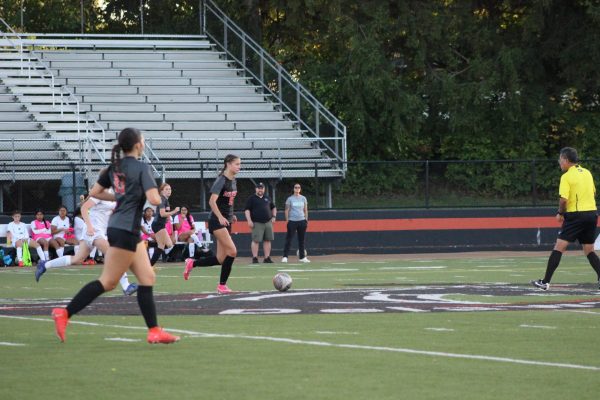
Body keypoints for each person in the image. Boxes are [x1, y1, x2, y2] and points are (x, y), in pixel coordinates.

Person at [51, 127, 179, 344]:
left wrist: (119, 195)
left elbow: (94, 193)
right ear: (138, 144)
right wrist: (151, 193)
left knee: (147, 278)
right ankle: (64, 313)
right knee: (108, 282)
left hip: (123, 228)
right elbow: (155, 200)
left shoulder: (115, 167)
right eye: (143, 139)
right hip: (126, 229)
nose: (144, 142)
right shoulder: (141, 168)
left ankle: (154, 330)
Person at [35, 189, 139, 296]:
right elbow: (84, 208)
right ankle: (126, 286)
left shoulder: (116, 196)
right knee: (113, 255)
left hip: (97, 231)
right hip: (94, 230)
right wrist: (89, 227)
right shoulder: (102, 193)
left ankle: (44, 265)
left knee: (77, 259)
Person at [531, 147, 600, 290]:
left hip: (576, 215)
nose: (559, 162)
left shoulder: (567, 176)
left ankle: (545, 282)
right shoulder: (587, 173)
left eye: (560, 159)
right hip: (592, 214)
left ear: (566, 160)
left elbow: (563, 200)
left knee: (559, 248)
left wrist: (560, 213)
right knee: (589, 250)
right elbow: (593, 193)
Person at [183, 154, 239, 293]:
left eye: (239, 164)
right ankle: (221, 285)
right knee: (232, 251)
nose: (239, 166)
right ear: (228, 164)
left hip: (226, 220)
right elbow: (212, 202)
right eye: (237, 164)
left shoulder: (233, 180)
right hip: (216, 221)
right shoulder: (221, 180)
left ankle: (192, 263)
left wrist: (232, 215)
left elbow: (227, 202)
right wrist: (220, 217)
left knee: (220, 259)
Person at [244, 182, 276, 263]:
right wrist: (249, 220)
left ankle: (267, 258)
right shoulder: (251, 198)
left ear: (264, 189)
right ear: (256, 189)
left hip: (268, 222)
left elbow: (273, 207)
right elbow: (247, 210)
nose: (260, 190)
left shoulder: (267, 198)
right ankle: (255, 258)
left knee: (268, 240)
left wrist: (274, 216)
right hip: (257, 222)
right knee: (256, 240)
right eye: (258, 188)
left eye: (262, 188)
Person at [149, 183, 180, 266]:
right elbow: (162, 214)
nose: (169, 191)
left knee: (163, 245)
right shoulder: (162, 199)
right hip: (158, 225)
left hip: (159, 224)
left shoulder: (165, 200)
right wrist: (174, 211)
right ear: (161, 191)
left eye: (170, 189)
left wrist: (167, 217)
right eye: (166, 189)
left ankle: (149, 265)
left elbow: (164, 214)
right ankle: (145, 244)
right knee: (167, 245)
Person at [282, 183, 310, 263]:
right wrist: (287, 220)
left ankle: (302, 257)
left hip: (302, 221)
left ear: (300, 189)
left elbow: (305, 210)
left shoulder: (303, 198)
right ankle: (285, 257)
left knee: (301, 240)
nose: (297, 188)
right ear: (293, 189)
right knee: (289, 239)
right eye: (295, 187)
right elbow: (286, 210)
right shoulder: (290, 199)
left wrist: (306, 219)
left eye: (298, 187)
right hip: (292, 221)